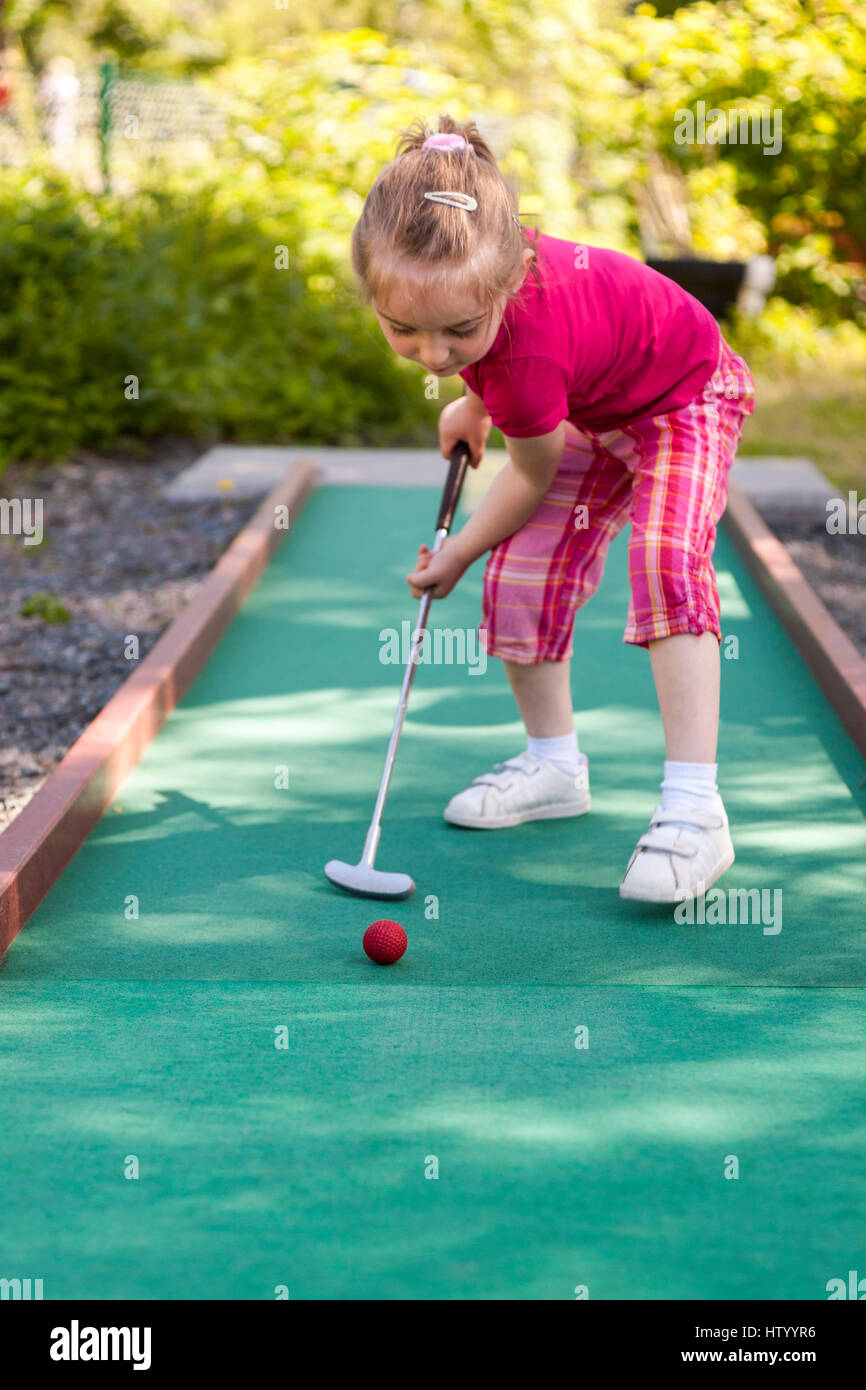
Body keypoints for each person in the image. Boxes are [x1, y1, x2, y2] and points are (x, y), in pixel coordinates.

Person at [350, 115, 755, 904]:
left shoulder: (525, 350)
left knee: (665, 560)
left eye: (457, 334)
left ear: (505, 282)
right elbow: (501, 360)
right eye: (403, 330)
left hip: (687, 394)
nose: (432, 356)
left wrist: (457, 552)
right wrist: (474, 398)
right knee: (527, 573)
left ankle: (695, 810)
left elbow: (527, 474)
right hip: (593, 402)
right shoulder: (475, 254)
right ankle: (554, 765)